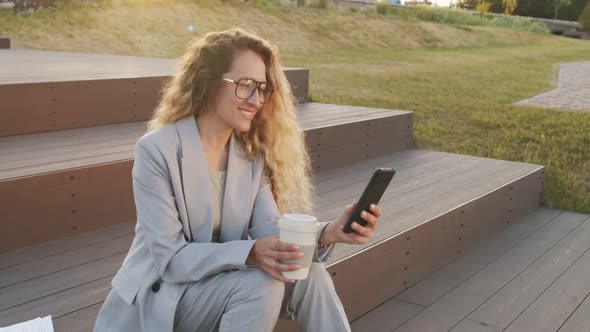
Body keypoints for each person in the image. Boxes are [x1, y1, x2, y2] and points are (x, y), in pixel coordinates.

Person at [93, 28, 382, 332]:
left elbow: (271, 231)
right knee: (260, 285)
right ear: (208, 82)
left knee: (312, 273)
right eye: (245, 85)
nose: (257, 100)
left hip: (217, 287)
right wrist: (251, 252)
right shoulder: (156, 150)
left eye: (262, 88)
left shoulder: (250, 158)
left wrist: (328, 233)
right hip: (159, 299)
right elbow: (171, 260)